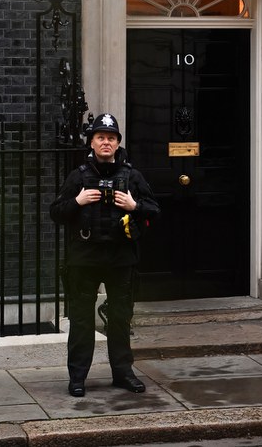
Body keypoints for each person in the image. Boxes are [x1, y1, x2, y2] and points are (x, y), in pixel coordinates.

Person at [50, 113, 160, 397]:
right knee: (82, 321)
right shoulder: (79, 176)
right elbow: (56, 213)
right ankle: (77, 378)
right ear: (92, 142)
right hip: (84, 259)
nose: (106, 142)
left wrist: (135, 205)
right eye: (101, 137)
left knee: (121, 319)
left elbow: (155, 211)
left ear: (118, 143)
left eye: (111, 138)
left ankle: (123, 374)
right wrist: (78, 201)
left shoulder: (132, 176)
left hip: (121, 259)